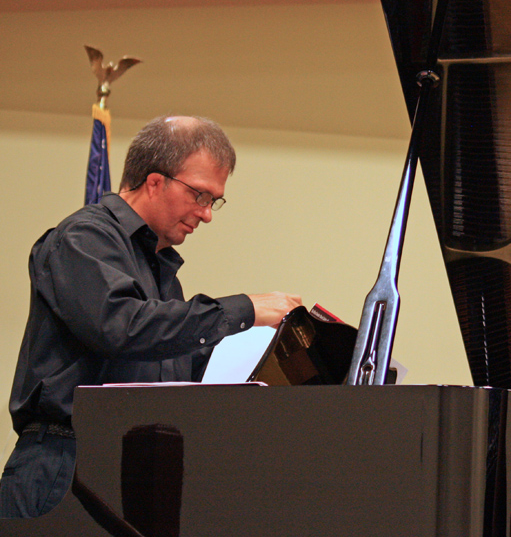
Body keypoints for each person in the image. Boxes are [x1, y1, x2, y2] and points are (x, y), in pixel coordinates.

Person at [0, 116, 302, 519]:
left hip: (132, 468)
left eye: (214, 201)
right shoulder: (83, 238)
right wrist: (244, 309)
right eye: (200, 195)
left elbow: (172, 366)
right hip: (65, 461)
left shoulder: (159, 271)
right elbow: (122, 326)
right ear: (155, 182)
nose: (207, 214)